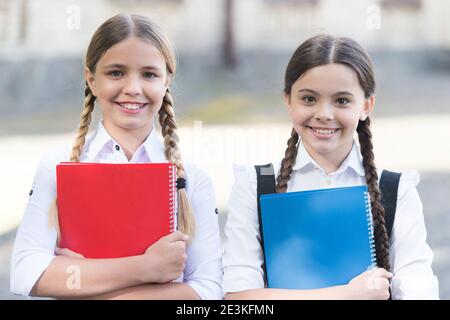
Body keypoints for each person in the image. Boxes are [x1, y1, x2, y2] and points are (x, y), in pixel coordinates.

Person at [10, 13, 222, 300]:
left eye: (148, 74)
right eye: (116, 73)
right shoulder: (59, 166)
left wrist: (85, 280)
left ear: (167, 81)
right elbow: (27, 273)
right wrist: (146, 268)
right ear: (91, 79)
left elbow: (208, 290)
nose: (133, 88)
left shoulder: (191, 178)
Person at [222, 34, 439, 300]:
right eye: (309, 99)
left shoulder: (396, 190)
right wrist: (347, 295)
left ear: (366, 106)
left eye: (342, 100)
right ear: (288, 101)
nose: (324, 113)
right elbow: (239, 297)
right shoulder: (254, 185)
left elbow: (419, 290)